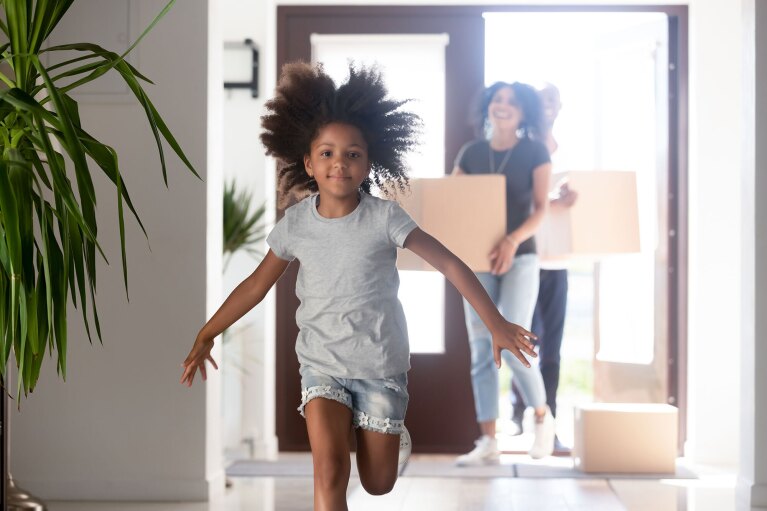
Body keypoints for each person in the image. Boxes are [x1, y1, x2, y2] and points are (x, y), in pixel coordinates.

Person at [180, 62, 539, 511]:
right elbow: (255, 285)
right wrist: (208, 330)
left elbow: (448, 263)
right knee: (329, 471)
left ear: (369, 162)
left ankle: (385, 440)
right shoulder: (296, 224)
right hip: (321, 366)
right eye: (327, 153)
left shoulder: (384, 217)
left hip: (380, 367)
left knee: (378, 483)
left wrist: (496, 323)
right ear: (308, 162)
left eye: (353, 154)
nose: (339, 163)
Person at [452, 81, 555, 465]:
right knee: (481, 348)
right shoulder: (472, 153)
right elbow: (453, 200)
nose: (503, 106)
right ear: (488, 107)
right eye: (497, 99)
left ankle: (542, 418)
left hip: (521, 257)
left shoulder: (535, 150)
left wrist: (511, 241)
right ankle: (488, 441)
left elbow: (541, 208)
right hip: (477, 260)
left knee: (514, 342)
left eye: (512, 102)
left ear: (524, 111)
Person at [510, 84, 577, 452]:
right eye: (543, 101)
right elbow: (516, 198)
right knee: (523, 339)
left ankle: (548, 422)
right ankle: (518, 413)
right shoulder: (520, 150)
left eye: (554, 100)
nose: (549, 107)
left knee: (552, 346)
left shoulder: (566, 152)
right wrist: (550, 199)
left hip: (558, 259)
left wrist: (570, 198)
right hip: (525, 256)